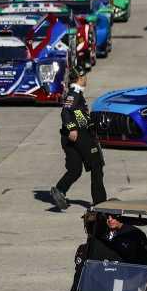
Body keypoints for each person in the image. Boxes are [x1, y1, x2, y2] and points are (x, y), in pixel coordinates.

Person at [49, 72, 105, 211]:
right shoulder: (74, 93)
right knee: (96, 166)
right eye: (84, 76)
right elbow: (66, 112)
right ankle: (100, 202)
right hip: (80, 137)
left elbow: (77, 113)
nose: (86, 79)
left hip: (72, 137)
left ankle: (60, 190)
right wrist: (72, 128)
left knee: (75, 169)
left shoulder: (75, 93)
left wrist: (87, 122)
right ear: (79, 79)